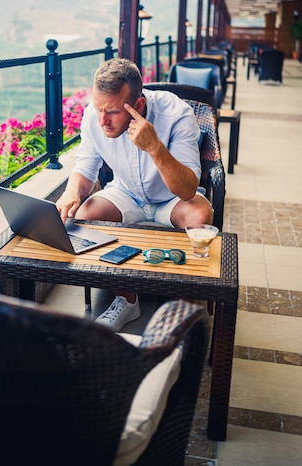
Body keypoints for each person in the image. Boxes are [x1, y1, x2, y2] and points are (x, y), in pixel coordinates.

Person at [55, 58, 213, 330]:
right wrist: (72, 192)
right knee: (86, 213)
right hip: (126, 192)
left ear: (138, 105)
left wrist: (154, 147)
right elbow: (86, 166)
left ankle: (181, 305)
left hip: (172, 199)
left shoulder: (176, 113)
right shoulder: (95, 116)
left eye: (113, 112)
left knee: (200, 216)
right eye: (98, 109)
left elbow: (187, 189)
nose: (102, 120)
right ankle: (126, 300)